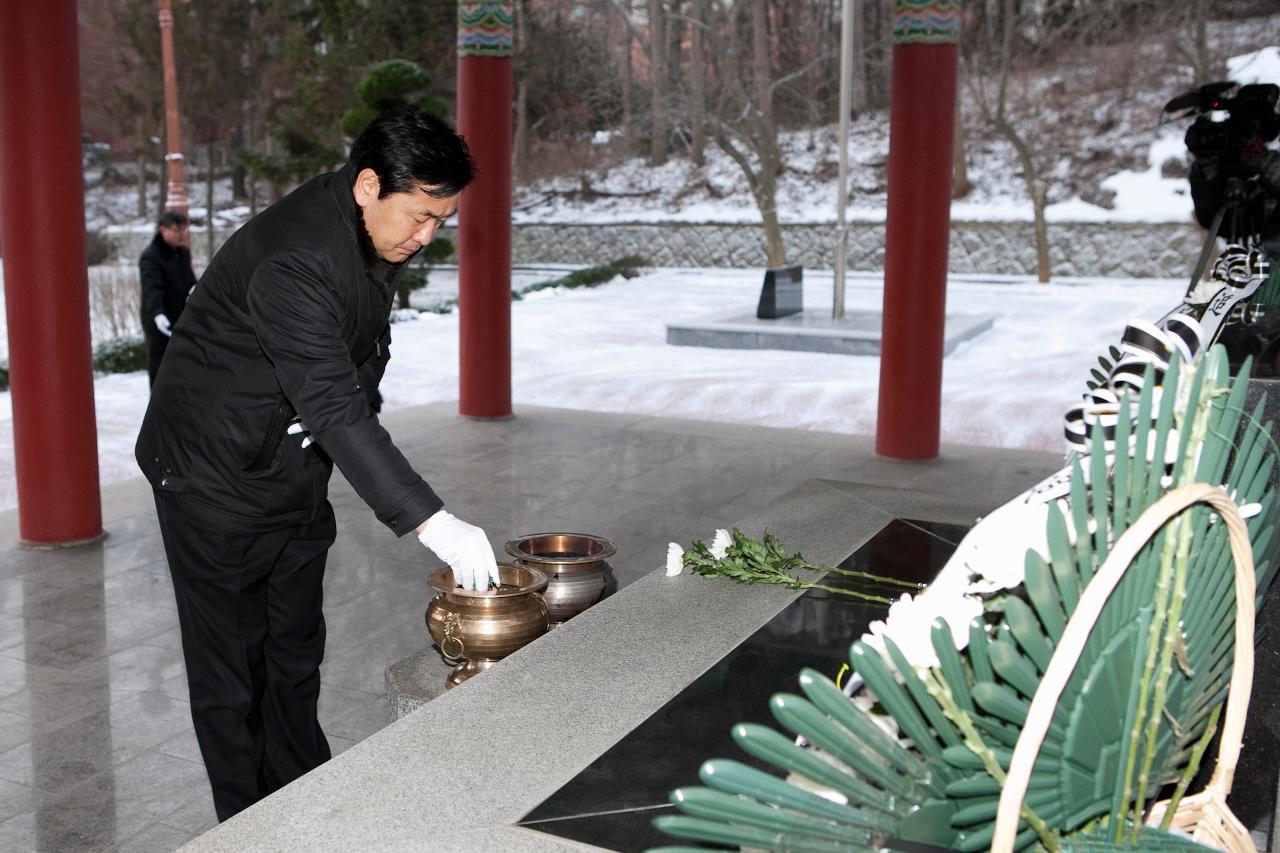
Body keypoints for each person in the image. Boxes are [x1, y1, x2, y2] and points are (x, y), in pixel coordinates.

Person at [134, 108, 500, 821]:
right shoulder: (295, 256)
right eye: (421, 216)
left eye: (441, 219)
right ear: (368, 185)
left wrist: (340, 407)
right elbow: (333, 401)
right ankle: (247, 828)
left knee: (295, 655)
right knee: (233, 677)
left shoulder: (369, 228)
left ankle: (304, 806)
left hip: (290, 467)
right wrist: (436, 523)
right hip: (211, 479)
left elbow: (358, 353)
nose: (428, 237)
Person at [138, 210, 196, 386]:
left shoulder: (182, 253)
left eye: (184, 229)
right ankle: (157, 409)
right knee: (159, 366)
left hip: (179, 316)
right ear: (163, 230)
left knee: (180, 365)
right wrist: (157, 314)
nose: (181, 234)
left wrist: (196, 288)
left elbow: (189, 279)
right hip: (158, 322)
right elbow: (152, 288)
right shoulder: (151, 257)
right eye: (177, 229)